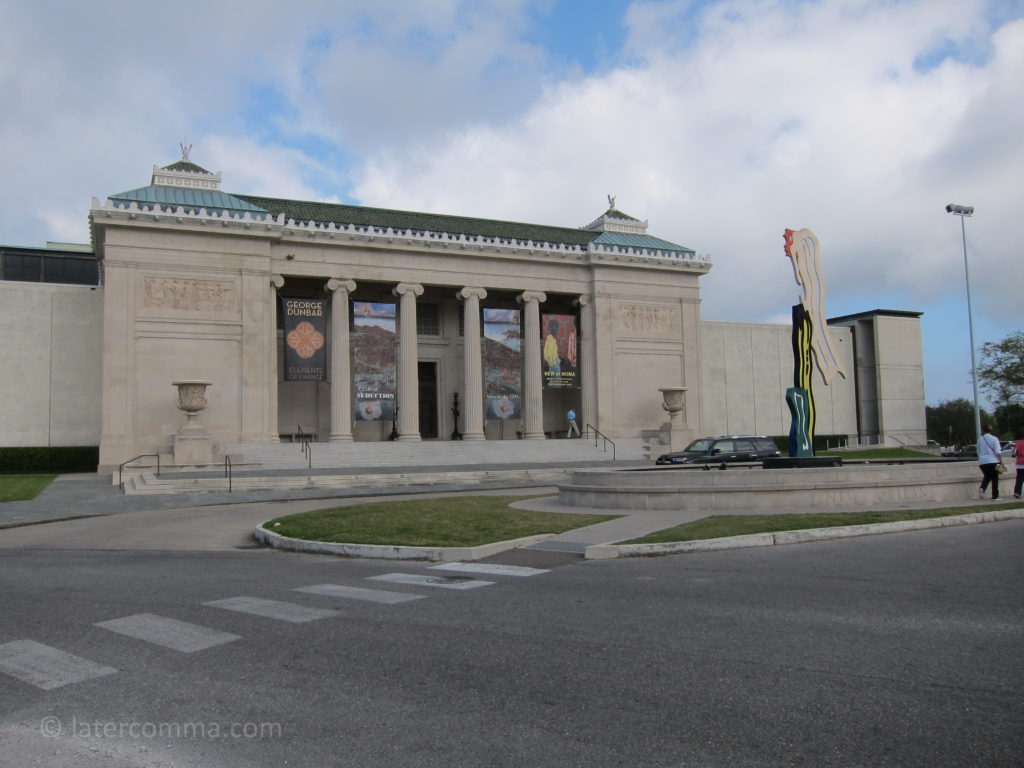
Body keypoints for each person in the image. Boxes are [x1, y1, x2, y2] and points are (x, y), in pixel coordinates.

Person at [976, 424, 1003, 500]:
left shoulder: (980, 439)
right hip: (993, 461)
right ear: (991, 430)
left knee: (987, 476)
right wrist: (1002, 462)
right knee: (995, 478)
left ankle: (982, 488)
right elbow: (998, 452)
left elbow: (978, 451)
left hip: (983, 462)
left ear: (983, 430)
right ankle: (995, 496)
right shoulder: (994, 439)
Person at [1013, 430, 1024, 500]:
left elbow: (1014, 453)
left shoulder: (1018, 443)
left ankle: (1017, 492)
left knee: (1019, 478)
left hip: (1019, 463)